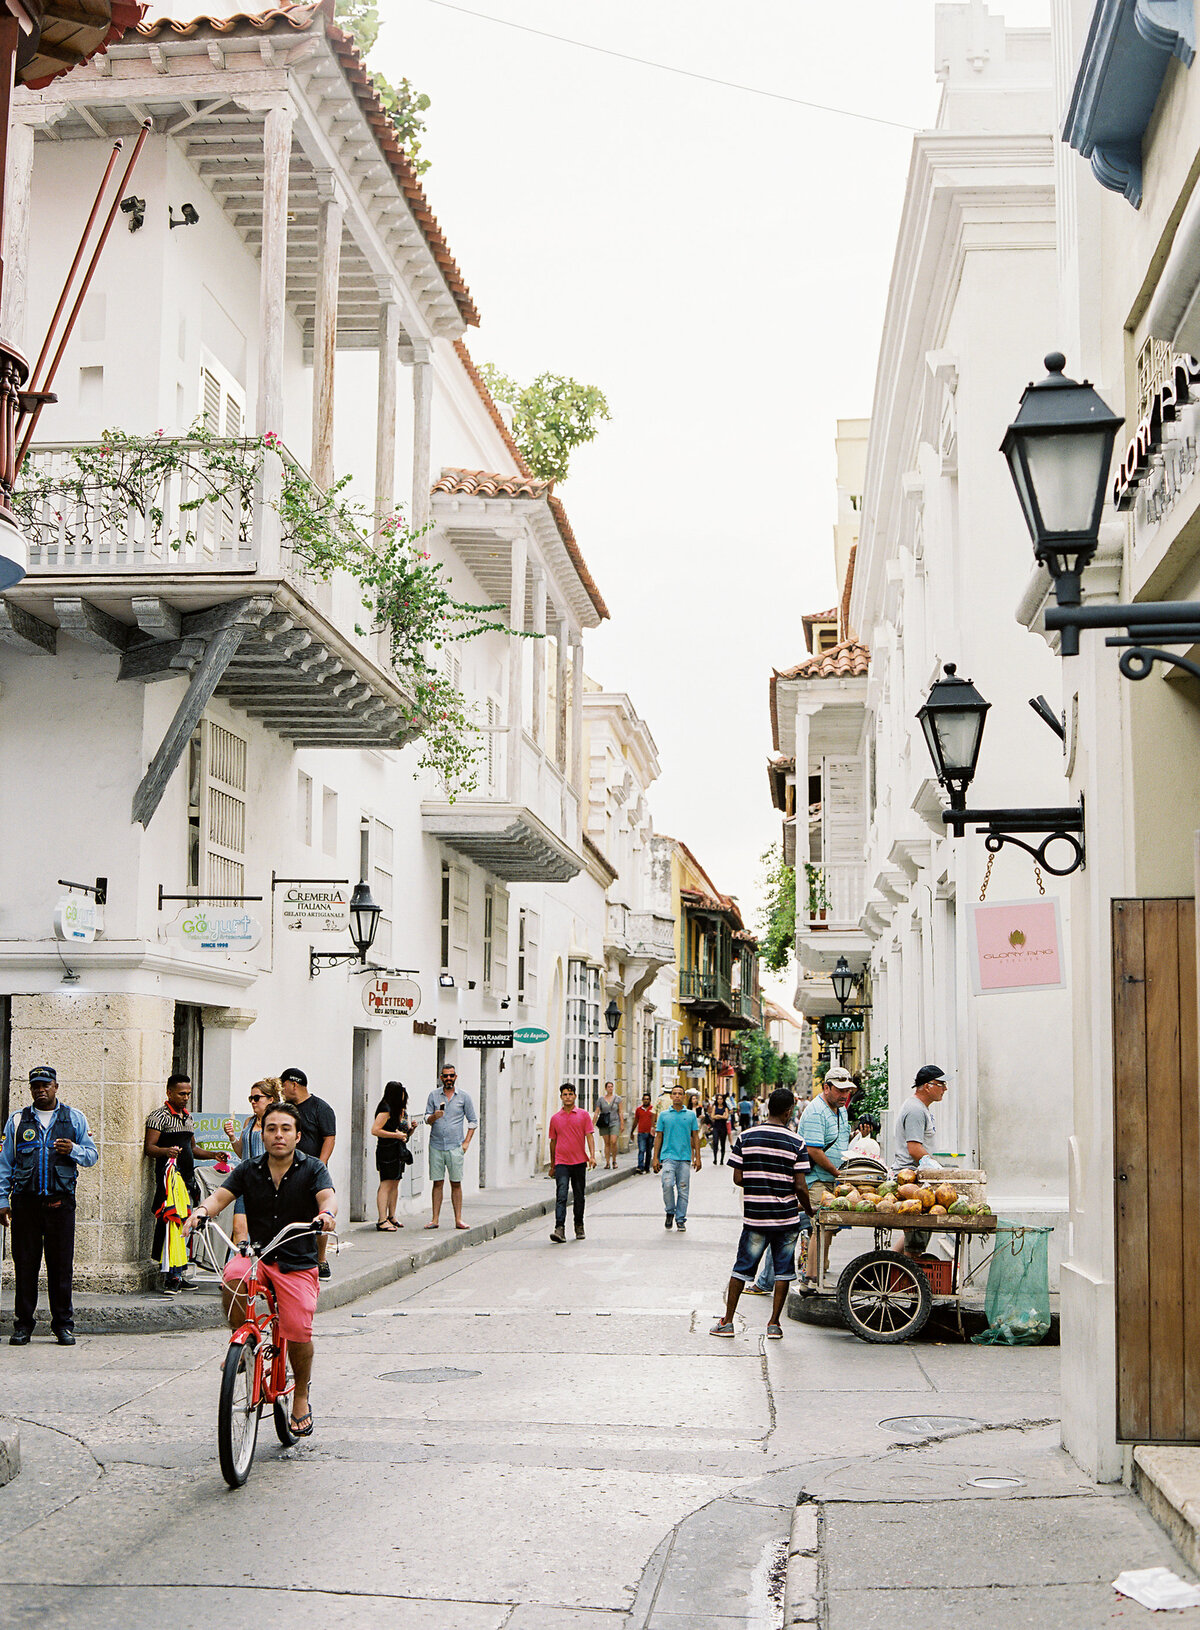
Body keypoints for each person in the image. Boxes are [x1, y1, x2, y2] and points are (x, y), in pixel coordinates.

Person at [184, 1099, 335, 1438]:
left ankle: (300, 1395)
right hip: (258, 1255)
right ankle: (243, 1345)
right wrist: (200, 1213)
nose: (278, 1135)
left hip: (296, 1261)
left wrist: (326, 1215)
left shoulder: (313, 1168)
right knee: (232, 1277)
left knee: (298, 1328)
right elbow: (220, 1197)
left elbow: (327, 1197)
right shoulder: (249, 1169)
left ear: (297, 1136)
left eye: (285, 1129)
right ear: (262, 1134)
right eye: (271, 1129)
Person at [0, 1066, 98, 1345]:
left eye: (46, 1085)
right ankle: (23, 1326)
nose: (40, 1090)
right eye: (35, 1086)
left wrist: (74, 1151)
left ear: (56, 1086)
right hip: (25, 1205)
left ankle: (63, 1325)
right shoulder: (18, 1121)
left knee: (60, 1267)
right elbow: (6, 1163)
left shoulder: (74, 1118)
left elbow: (92, 1155)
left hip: (61, 1204)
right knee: (25, 1266)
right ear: (30, 1089)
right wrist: (1, 1201)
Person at [710, 1087, 814, 1340]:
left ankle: (728, 1321)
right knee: (783, 1272)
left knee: (741, 1270)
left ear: (768, 1108)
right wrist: (809, 1209)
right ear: (789, 1111)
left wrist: (760, 1183)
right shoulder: (796, 1142)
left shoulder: (746, 1137)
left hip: (755, 1217)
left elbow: (737, 1178)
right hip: (786, 1218)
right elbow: (800, 1185)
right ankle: (774, 1324)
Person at [797, 1068, 855, 1287]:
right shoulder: (815, 1111)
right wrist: (837, 1172)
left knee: (829, 1226)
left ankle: (820, 1270)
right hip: (817, 1178)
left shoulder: (841, 1110)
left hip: (832, 1178)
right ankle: (811, 1278)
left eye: (847, 1091)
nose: (844, 1095)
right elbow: (814, 1150)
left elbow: (840, 1140)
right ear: (826, 1087)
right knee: (820, 1226)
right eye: (840, 1090)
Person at [144, 1072, 200, 1294]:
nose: (185, 1097)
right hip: (170, 1180)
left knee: (186, 1226)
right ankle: (170, 1276)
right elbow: (149, 1148)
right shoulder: (159, 1116)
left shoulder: (187, 1117)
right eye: (181, 1093)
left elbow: (193, 1148)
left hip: (186, 1180)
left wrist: (214, 1154)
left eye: (188, 1093)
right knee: (171, 1225)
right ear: (169, 1092)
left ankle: (180, 1271)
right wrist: (166, 1151)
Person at [280, 1068, 336, 1279]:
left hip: (313, 1170)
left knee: (320, 1214)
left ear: (294, 1084)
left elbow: (329, 1138)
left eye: (284, 1085)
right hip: (287, 1170)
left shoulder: (321, 1108)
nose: (283, 1089)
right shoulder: (286, 1109)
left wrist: (319, 1167)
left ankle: (321, 1259)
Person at [892, 1065, 951, 1255]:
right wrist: (933, 1166)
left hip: (918, 1177)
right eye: (941, 1084)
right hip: (912, 1179)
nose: (945, 1088)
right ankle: (908, 1277)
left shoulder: (920, 1108)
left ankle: (891, 1263)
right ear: (927, 1086)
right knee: (916, 1241)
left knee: (914, 1234)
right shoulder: (916, 1110)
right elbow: (914, 1148)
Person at [223, 1078, 281, 1245]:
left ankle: (263, 1266)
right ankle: (241, 1267)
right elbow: (242, 1152)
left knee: (264, 1230)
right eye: (251, 1098)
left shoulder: (275, 1124)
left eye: (257, 1098)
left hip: (266, 1181)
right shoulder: (249, 1121)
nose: (253, 1102)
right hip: (245, 1180)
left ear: (271, 1099)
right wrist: (232, 1137)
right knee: (239, 1228)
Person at [424, 1063, 477, 1230]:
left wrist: (466, 1142)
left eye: (451, 1076)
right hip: (436, 1145)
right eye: (445, 1076)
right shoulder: (433, 1095)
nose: (448, 1079)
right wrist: (434, 1116)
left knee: (456, 1182)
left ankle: (458, 1219)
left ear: (455, 1077)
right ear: (441, 1078)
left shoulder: (464, 1097)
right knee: (437, 1182)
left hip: (455, 1146)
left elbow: (473, 1121)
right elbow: (426, 1118)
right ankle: (435, 1219)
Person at [548, 1083, 596, 1242]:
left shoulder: (583, 1115)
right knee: (561, 1195)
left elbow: (589, 1136)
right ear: (561, 1097)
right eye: (565, 1094)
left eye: (570, 1094)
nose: (568, 1097)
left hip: (579, 1161)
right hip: (562, 1162)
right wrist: (552, 1164)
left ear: (575, 1096)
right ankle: (559, 1228)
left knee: (579, 1195)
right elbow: (553, 1142)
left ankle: (579, 1225)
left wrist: (592, 1156)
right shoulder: (555, 1118)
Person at [652, 1083, 702, 1233]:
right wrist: (655, 1158)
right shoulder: (664, 1115)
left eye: (680, 1093)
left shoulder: (690, 1115)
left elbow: (695, 1136)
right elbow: (658, 1136)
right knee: (667, 1184)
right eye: (675, 1093)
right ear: (671, 1096)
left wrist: (697, 1157)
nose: (677, 1096)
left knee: (683, 1189)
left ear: (684, 1096)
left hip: (685, 1157)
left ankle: (680, 1219)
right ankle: (670, 1211)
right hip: (668, 1156)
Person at [372, 1080, 413, 1231]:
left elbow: (403, 1133)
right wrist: (395, 1136)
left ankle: (392, 1215)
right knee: (386, 1184)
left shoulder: (396, 1109)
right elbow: (375, 1130)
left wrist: (408, 1131)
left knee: (395, 1182)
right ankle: (382, 1219)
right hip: (387, 1150)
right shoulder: (385, 1109)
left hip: (397, 1150)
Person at [594, 1081, 623, 1170]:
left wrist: (622, 1123)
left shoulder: (618, 1099)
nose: (610, 1088)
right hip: (604, 1123)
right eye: (609, 1087)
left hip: (615, 1122)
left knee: (613, 1142)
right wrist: (592, 1123)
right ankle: (607, 1162)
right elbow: (597, 1112)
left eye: (611, 1087)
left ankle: (614, 1160)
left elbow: (620, 1111)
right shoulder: (601, 1100)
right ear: (606, 1088)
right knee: (607, 1143)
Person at [632, 1093, 656, 1173]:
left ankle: (647, 1167)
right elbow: (636, 1121)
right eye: (645, 1099)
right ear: (642, 1100)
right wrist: (632, 1131)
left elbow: (655, 1120)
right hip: (641, 1132)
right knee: (641, 1150)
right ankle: (640, 1166)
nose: (646, 1101)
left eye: (647, 1099)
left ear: (650, 1100)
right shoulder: (638, 1110)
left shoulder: (653, 1110)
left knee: (649, 1151)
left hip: (650, 1133)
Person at [709, 1086, 732, 1165]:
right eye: (718, 1099)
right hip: (716, 1127)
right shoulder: (714, 1107)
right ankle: (715, 1158)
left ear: (723, 1100)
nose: (719, 1100)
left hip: (723, 1127)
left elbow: (726, 1117)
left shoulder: (725, 1108)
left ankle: (722, 1159)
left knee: (722, 1143)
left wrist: (718, 1116)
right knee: (715, 1142)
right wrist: (720, 1116)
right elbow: (712, 1116)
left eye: (721, 1099)